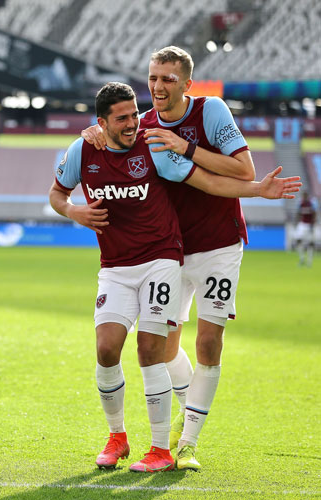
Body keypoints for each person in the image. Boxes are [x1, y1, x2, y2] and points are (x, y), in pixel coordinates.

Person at [50, 82, 299, 473]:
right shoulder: (83, 149)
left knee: (151, 349)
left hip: (162, 259)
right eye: (123, 118)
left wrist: (257, 190)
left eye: (135, 113)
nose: (134, 122)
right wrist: (73, 211)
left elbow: (207, 182)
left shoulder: (154, 147)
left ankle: (162, 449)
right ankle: (117, 437)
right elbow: (57, 193)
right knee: (106, 349)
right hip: (114, 265)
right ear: (101, 122)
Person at [80, 46, 259, 470]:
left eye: (168, 79)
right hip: (170, 250)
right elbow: (109, 149)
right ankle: (186, 407)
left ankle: (188, 444)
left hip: (219, 245)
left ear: (186, 84)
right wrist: (93, 132)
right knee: (162, 349)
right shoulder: (139, 125)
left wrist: (186, 147)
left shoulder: (210, 111)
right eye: (153, 78)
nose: (158, 87)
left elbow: (244, 170)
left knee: (208, 341)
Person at [293, 191, 317, 267]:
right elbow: (298, 213)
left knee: (310, 243)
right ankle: (302, 258)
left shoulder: (311, 203)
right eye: (303, 196)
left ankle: (309, 261)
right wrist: (296, 222)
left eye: (305, 196)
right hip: (302, 224)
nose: (304, 197)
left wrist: (313, 224)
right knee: (298, 240)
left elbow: (314, 213)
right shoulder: (300, 203)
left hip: (309, 225)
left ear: (307, 196)